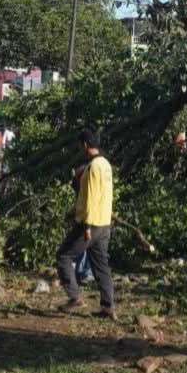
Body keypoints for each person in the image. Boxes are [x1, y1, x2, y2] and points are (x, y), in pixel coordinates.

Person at [57, 130, 115, 318]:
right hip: (104, 223)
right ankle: (108, 307)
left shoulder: (92, 167)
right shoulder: (106, 165)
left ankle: (75, 298)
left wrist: (87, 226)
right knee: (101, 265)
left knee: (64, 256)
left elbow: (90, 198)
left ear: (84, 145)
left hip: (91, 223)